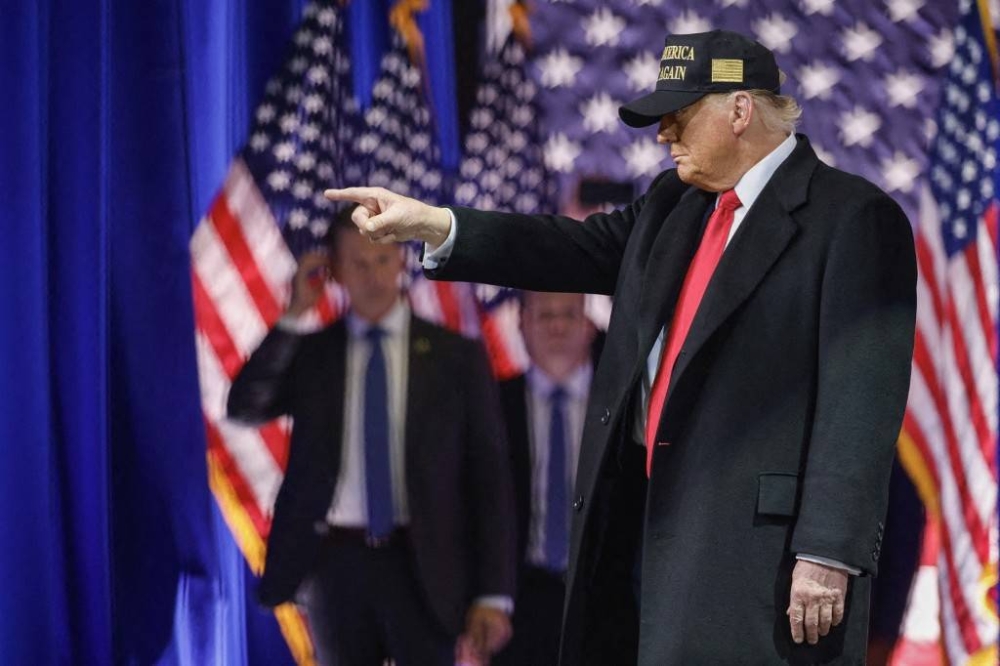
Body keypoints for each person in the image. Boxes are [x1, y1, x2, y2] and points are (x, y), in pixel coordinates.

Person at [326, 29, 917, 666]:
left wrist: (827, 551)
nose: (663, 133)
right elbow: (566, 248)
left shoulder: (851, 219)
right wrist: (436, 224)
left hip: (762, 564)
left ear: (740, 110)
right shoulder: (673, 206)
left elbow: (861, 403)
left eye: (679, 115)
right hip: (639, 537)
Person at [226, 208, 516, 666]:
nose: (373, 275)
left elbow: (490, 480)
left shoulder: (455, 357)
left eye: (382, 260)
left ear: (402, 261)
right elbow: (244, 407)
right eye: (358, 263)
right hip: (335, 565)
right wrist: (296, 311)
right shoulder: (315, 353)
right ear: (335, 271)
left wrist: (494, 593)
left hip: (425, 563)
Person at [493, 291, 597, 666]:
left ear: (589, 323)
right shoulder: (493, 404)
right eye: (545, 315)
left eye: (568, 315)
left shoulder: (618, 406)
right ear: (521, 324)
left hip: (599, 598)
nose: (557, 326)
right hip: (518, 603)